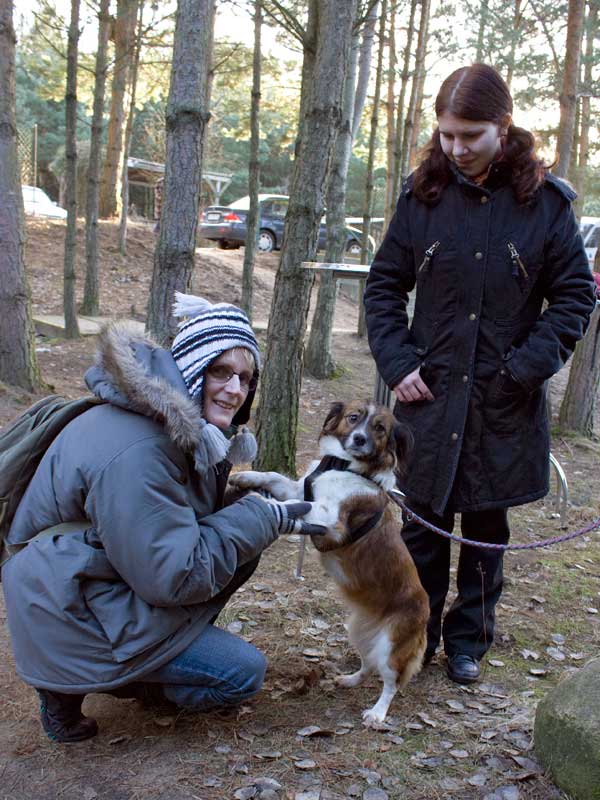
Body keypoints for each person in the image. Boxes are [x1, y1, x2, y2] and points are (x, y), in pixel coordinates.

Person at [1, 293, 324, 742]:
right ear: (192, 369)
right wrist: (262, 517)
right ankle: (81, 686)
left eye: (245, 378)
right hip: (66, 608)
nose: (235, 389)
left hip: (84, 583)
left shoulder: (171, 426)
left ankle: (135, 666)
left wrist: (243, 501)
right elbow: (174, 576)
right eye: (220, 371)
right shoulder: (142, 451)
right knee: (241, 674)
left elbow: (171, 523)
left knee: (244, 547)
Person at [364, 64, 596, 685]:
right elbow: (384, 287)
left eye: (471, 135)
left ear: (504, 125)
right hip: (428, 397)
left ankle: (469, 640)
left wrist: (525, 368)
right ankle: (417, 635)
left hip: (503, 399)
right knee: (424, 526)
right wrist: (398, 362)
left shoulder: (545, 207)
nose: (458, 149)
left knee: (488, 527)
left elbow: (575, 296)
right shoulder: (422, 199)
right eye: (447, 135)